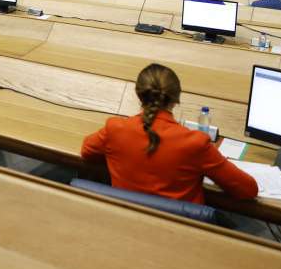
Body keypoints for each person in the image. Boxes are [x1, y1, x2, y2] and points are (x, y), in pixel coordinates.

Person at [81, 64, 258, 204]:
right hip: (183, 232)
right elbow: (248, 189)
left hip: (127, 225)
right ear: (176, 98)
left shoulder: (115, 129)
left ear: (138, 94)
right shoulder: (195, 143)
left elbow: (87, 151)